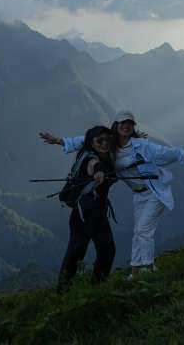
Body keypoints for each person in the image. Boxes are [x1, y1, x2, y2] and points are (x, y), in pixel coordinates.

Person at [40, 110, 184, 278]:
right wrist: (59, 141)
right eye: (123, 123)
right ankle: (135, 271)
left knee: (142, 231)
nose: (126, 126)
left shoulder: (141, 144)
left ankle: (148, 269)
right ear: (116, 125)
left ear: (133, 126)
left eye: (130, 123)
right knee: (136, 233)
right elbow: (88, 140)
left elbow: (165, 152)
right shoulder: (110, 143)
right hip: (138, 195)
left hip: (154, 192)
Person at [53, 125, 117, 293]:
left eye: (108, 139)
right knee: (77, 252)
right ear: (91, 142)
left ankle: (97, 288)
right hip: (84, 214)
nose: (104, 143)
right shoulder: (91, 159)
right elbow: (94, 166)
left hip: (98, 212)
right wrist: (99, 172)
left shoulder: (103, 155)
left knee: (107, 250)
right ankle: (63, 292)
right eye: (100, 140)